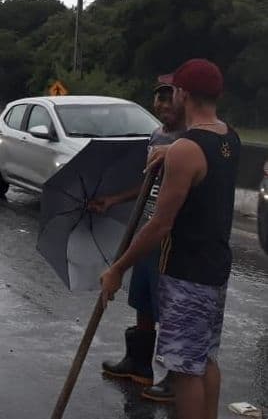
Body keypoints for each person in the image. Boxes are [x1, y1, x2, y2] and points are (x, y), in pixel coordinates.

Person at [101, 59, 240, 419]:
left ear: (183, 94)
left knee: (183, 371)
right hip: (215, 267)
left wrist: (117, 268)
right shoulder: (229, 136)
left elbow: (160, 225)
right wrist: (172, 153)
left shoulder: (185, 150)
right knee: (205, 358)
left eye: (173, 91)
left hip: (186, 272)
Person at [90, 83, 184, 402]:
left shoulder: (191, 140)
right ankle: (139, 364)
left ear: (183, 100)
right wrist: (114, 200)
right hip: (148, 227)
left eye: (170, 97)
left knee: (170, 305)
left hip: (172, 233)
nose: (163, 103)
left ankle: (175, 377)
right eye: (159, 97)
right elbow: (147, 183)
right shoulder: (156, 136)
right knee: (142, 298)